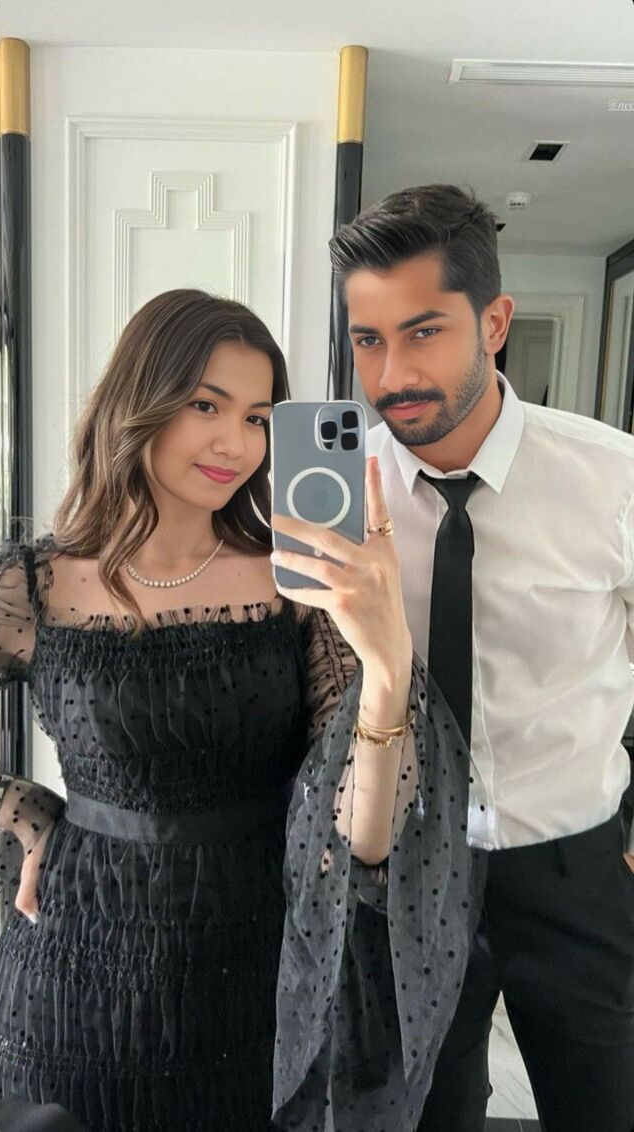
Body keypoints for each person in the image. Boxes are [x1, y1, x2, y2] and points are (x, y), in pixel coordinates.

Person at [0, 288, 478, 1131]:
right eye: (205, 405)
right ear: (138, 401)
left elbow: (365, 840)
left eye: (258, 418)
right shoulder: (33, 584)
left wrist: (386, 661)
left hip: (256, 971)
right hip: (71, 973)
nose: (235, 444)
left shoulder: (298, 589)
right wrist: (21, 809)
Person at [323, 183, 634, 1132]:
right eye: (368, 340)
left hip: (578, 863)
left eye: (424, 332)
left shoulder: (615, 479)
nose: (392, 374)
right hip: (408, 871)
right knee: (428, 1113)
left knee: (604, 1103)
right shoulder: (340, 491)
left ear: (494, 322)